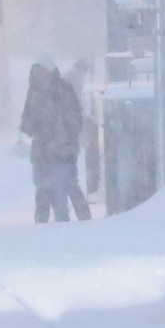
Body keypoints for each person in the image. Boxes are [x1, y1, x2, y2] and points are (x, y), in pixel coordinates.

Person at [19, 56, 84, 223]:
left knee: (65, 190)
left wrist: (61, 134)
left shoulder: (64, 89)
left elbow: (75, 117)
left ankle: (77, 224)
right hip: (41, 152)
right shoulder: (33, 92)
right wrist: (34, 128)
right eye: (36, 72)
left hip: (63, 151)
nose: (39, 75)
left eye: (42, 71)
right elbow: (25, 120)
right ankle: (42, 227)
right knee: (42, 191)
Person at [64, 59, 97, 221]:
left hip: (67, 140)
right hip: (68, 139)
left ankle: (65, 212)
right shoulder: (72, 85)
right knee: (69, 179)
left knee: (66, 179)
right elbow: (76, 112)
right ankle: (81, 213)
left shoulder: (70, 82)